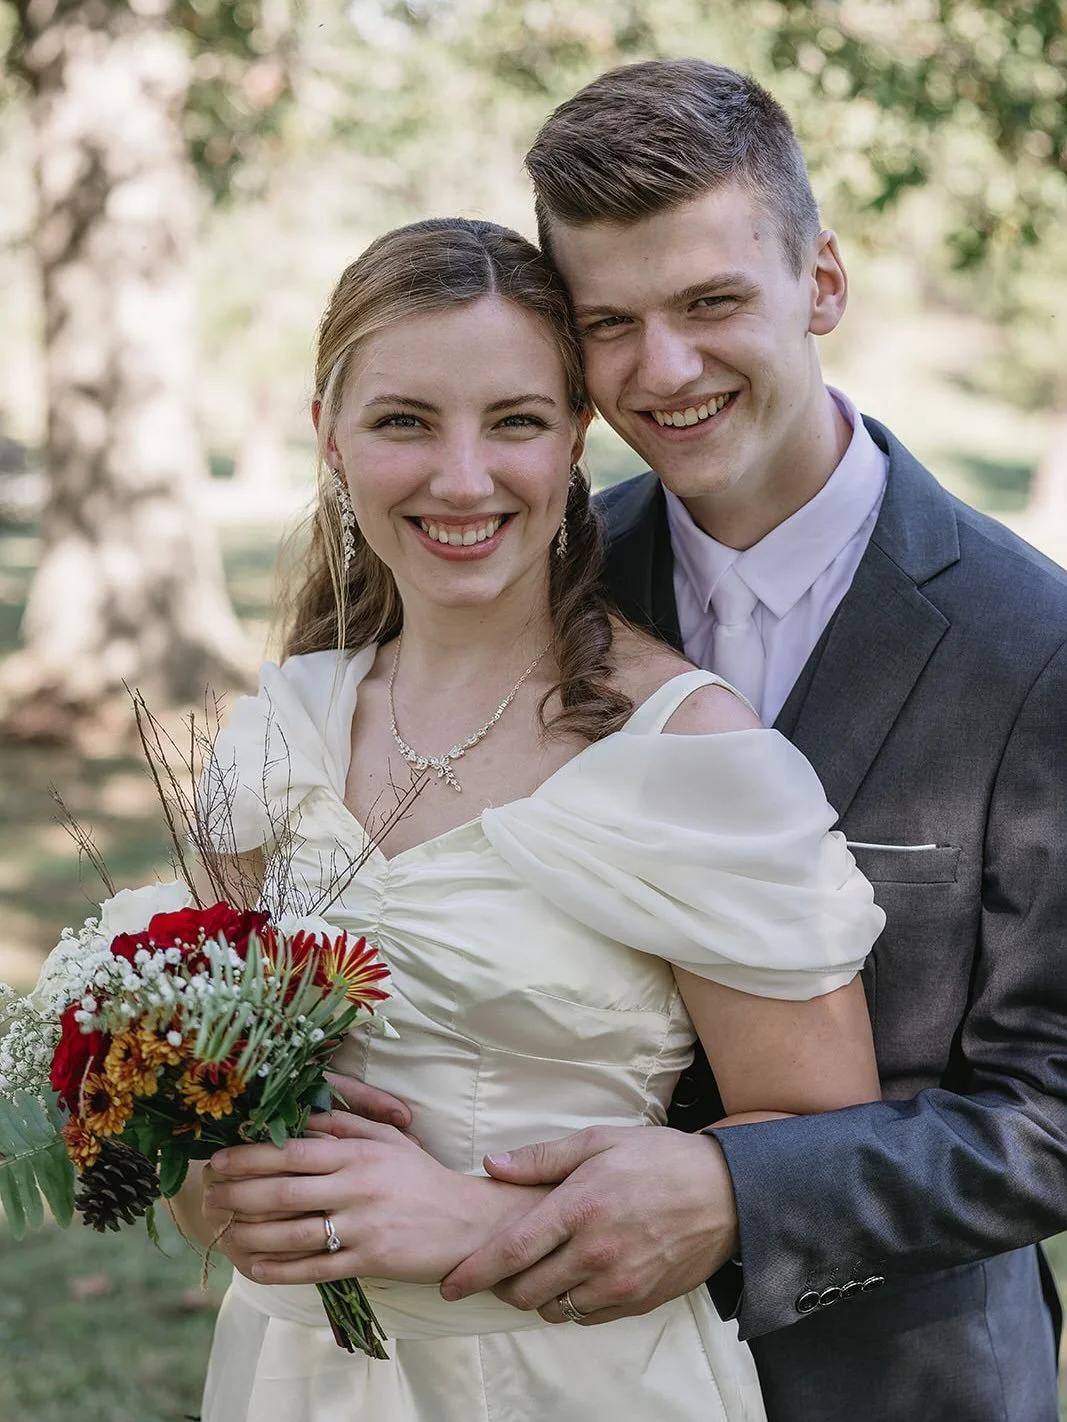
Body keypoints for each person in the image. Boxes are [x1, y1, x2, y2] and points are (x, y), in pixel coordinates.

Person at [430, 60, 1067, 1422]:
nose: (663, 369)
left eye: (711, 302)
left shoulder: (1033, 648)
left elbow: (1050, 1105)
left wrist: (734, 1192)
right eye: (610, 323)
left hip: (897, 1376)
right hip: (562, 1366)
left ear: (819, 283)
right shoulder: (540, 589)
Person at [175, 216, 886, 1422]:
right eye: (404, 421)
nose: (463, 479)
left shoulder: (693, 760)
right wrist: (216, 1184)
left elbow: (819, 1149)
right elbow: (196, 1133)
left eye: (513, 421)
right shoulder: (277, 733)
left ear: (574, 443)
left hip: (573, 1376)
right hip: (294, 1375)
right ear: (328, 438)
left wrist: (476, 1219)